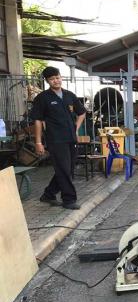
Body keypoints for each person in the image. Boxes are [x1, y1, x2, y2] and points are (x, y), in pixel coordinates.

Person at [31, 66, 85, 210]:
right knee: (63, 169)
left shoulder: (69, 95)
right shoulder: (42, 98)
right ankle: (69, 199)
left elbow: (82, 112)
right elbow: (37, 120)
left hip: (70, 138)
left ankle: (48, 194)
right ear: (47, 81)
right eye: (52, 79)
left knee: (68, 169)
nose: (56, 81)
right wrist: (38, 142)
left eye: (57, 77)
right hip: (56, 139)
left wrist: (76, 128)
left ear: (61, 77)